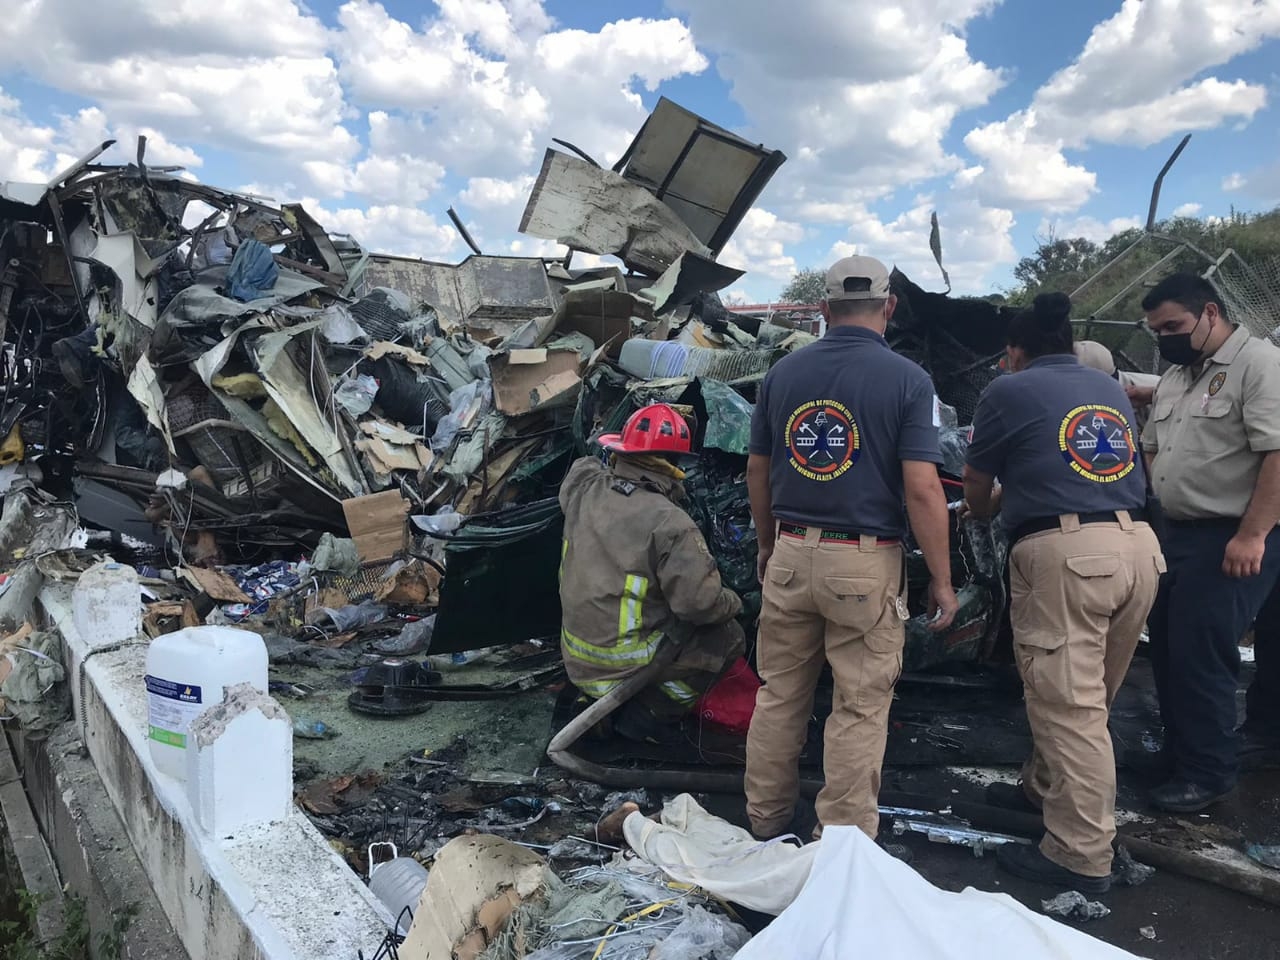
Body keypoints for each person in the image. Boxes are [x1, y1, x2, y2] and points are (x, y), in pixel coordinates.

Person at [744, 255, 959, 844]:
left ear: (822, 310)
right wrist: (941, 580)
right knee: (859, 705)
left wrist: (768, 545)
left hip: (790, 553)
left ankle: (763, 821)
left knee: (779, 693)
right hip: (864, 563)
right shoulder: (910, 381)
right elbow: (922, 487)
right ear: (888, 307)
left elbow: (757, 471)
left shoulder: (782, 375)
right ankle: (840, 844)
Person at [963, 293, 1163, 893]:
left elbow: (978, 479)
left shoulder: (1009, 389)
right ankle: (1042, 790)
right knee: (1087, 695)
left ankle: (1080, 852)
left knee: (1068, 708)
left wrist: (979, 514)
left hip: (1068, 557)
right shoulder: (1105, 387)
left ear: (1017, 350)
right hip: (1137, 548)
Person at [1141, 272, 1280, 812]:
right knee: (1170, 649)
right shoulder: (1179, 374)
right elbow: (1152, 444)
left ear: (1211, 314)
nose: (1165, 337)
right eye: (1156, 329)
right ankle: (1180, 753)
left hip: (1234, 534)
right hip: (1179, 533)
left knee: (1202, 654)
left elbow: (1276, 453)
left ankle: (1208, 772)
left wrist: (1252, 534)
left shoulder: (1259, 366)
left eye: (1173, 325)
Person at [558, 403, 745, 744]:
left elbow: (584, 465)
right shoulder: (670, 524)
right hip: (625, 668)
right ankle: (650, 713)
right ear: (674, 464)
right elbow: (698, 605)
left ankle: (604, 704)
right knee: (728, 636)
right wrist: (734, 601)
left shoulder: (584, 489)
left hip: (577, 663)